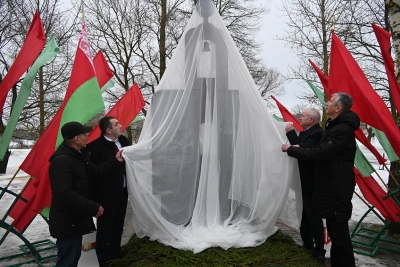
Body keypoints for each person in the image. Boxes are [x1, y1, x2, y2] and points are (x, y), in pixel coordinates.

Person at [281, 92, 360, 267]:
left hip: (337, 187)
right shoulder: (335, 127)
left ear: (338, 108)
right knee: (334, 229)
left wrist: (292, 149)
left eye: (331, 101)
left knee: (339, 234)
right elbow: (320, 149)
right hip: (331, 185)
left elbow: (321, 153)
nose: (327, 102)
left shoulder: (342, 129)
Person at [49, 121, 125, 267]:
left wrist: (115, 160)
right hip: (67, 221)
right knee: (67, 260)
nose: (87, 137)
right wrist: (92, 207)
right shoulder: (62, 161)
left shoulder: (79, 156)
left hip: (76, 219)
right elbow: (64, 193)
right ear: (76, 139)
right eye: (84, 134)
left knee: (73, 257)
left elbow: (96, 172)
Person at [86, 116, 131, 267]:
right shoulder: (94, 148)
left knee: (118, 227)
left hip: (123, 193)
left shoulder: (124, 141)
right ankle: (103, 261)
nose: (121, 125)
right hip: (105, 196)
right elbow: (96, 173)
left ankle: (115, 255)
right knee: (105, 230)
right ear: (108, 130)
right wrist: (114, 160)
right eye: (117, 124)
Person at [285, 108, 325, 263]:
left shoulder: (317, 134)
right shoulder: (308, 132)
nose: (300, 118)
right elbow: (300, 146)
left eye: (303, 116)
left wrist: (290, 134)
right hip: (304, 180)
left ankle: (319, 250)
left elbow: (302, 150)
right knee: (306, 213)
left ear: (312, 120)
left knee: (313, 215)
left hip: (312, 181)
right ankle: (307, 243)